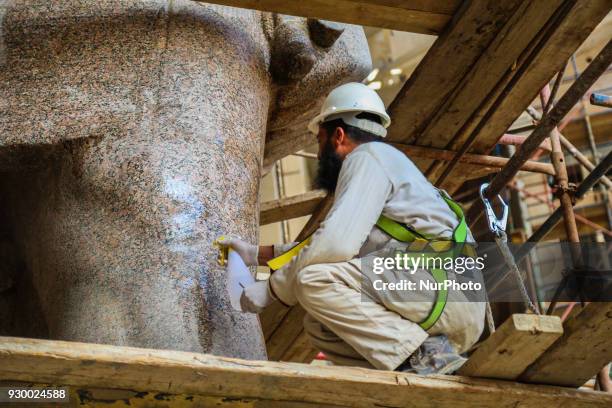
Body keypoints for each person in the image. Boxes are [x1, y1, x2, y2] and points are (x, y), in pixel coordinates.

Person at [217, 82, 485, 373]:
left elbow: (335, 246)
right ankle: (409, 370)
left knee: (313, 281)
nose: (319, 155)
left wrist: (271, 290)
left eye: (320, 141)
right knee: (320, 326)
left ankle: (427, 357)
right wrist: (255, 254)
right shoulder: (386, 165)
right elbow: (330, 246)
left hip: (439, 290)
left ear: (339, 135)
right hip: (452, 303)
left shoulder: (367, 158)